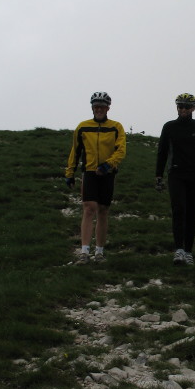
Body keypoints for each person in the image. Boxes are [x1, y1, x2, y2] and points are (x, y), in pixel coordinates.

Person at [155, 93, 195, 266]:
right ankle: (179, 250)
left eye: (187, 107)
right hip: (176, 174)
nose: (183, 109)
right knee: (178, 210)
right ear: (177, 108)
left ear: (193, 108)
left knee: (192, 213)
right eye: (180, 106)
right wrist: (158, 176)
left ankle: (189, 251)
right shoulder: (169, 127)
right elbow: (162, 153)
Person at [65, 92, 126, 264]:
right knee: (89, 208)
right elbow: (75, 151)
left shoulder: (116, 127)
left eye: (102, 106)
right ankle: (84, 252)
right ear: (92, 108)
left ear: (108, 108)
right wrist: (70, 173)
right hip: (90, 171)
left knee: (103, 210)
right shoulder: (83, 127)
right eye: (96, 106)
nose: (99, 109)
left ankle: (99, 251)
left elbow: (121, 150)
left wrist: (108, 164)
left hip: (108, 172)